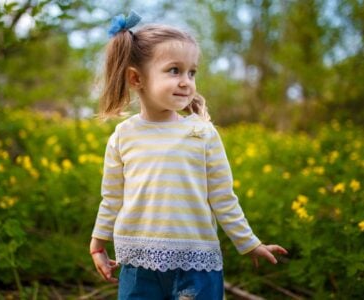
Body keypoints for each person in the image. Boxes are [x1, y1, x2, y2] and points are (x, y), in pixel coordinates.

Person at [90, 10, 287, 300]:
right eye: (174, 70)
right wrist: (98, 242)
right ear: (136, 78)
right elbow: (112, 197)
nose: (186, 81)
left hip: (196, 263)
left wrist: (249, 243)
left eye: (191, 72)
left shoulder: (202, 134)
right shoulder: (123, 135)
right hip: (137, 261)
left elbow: (222, 197)